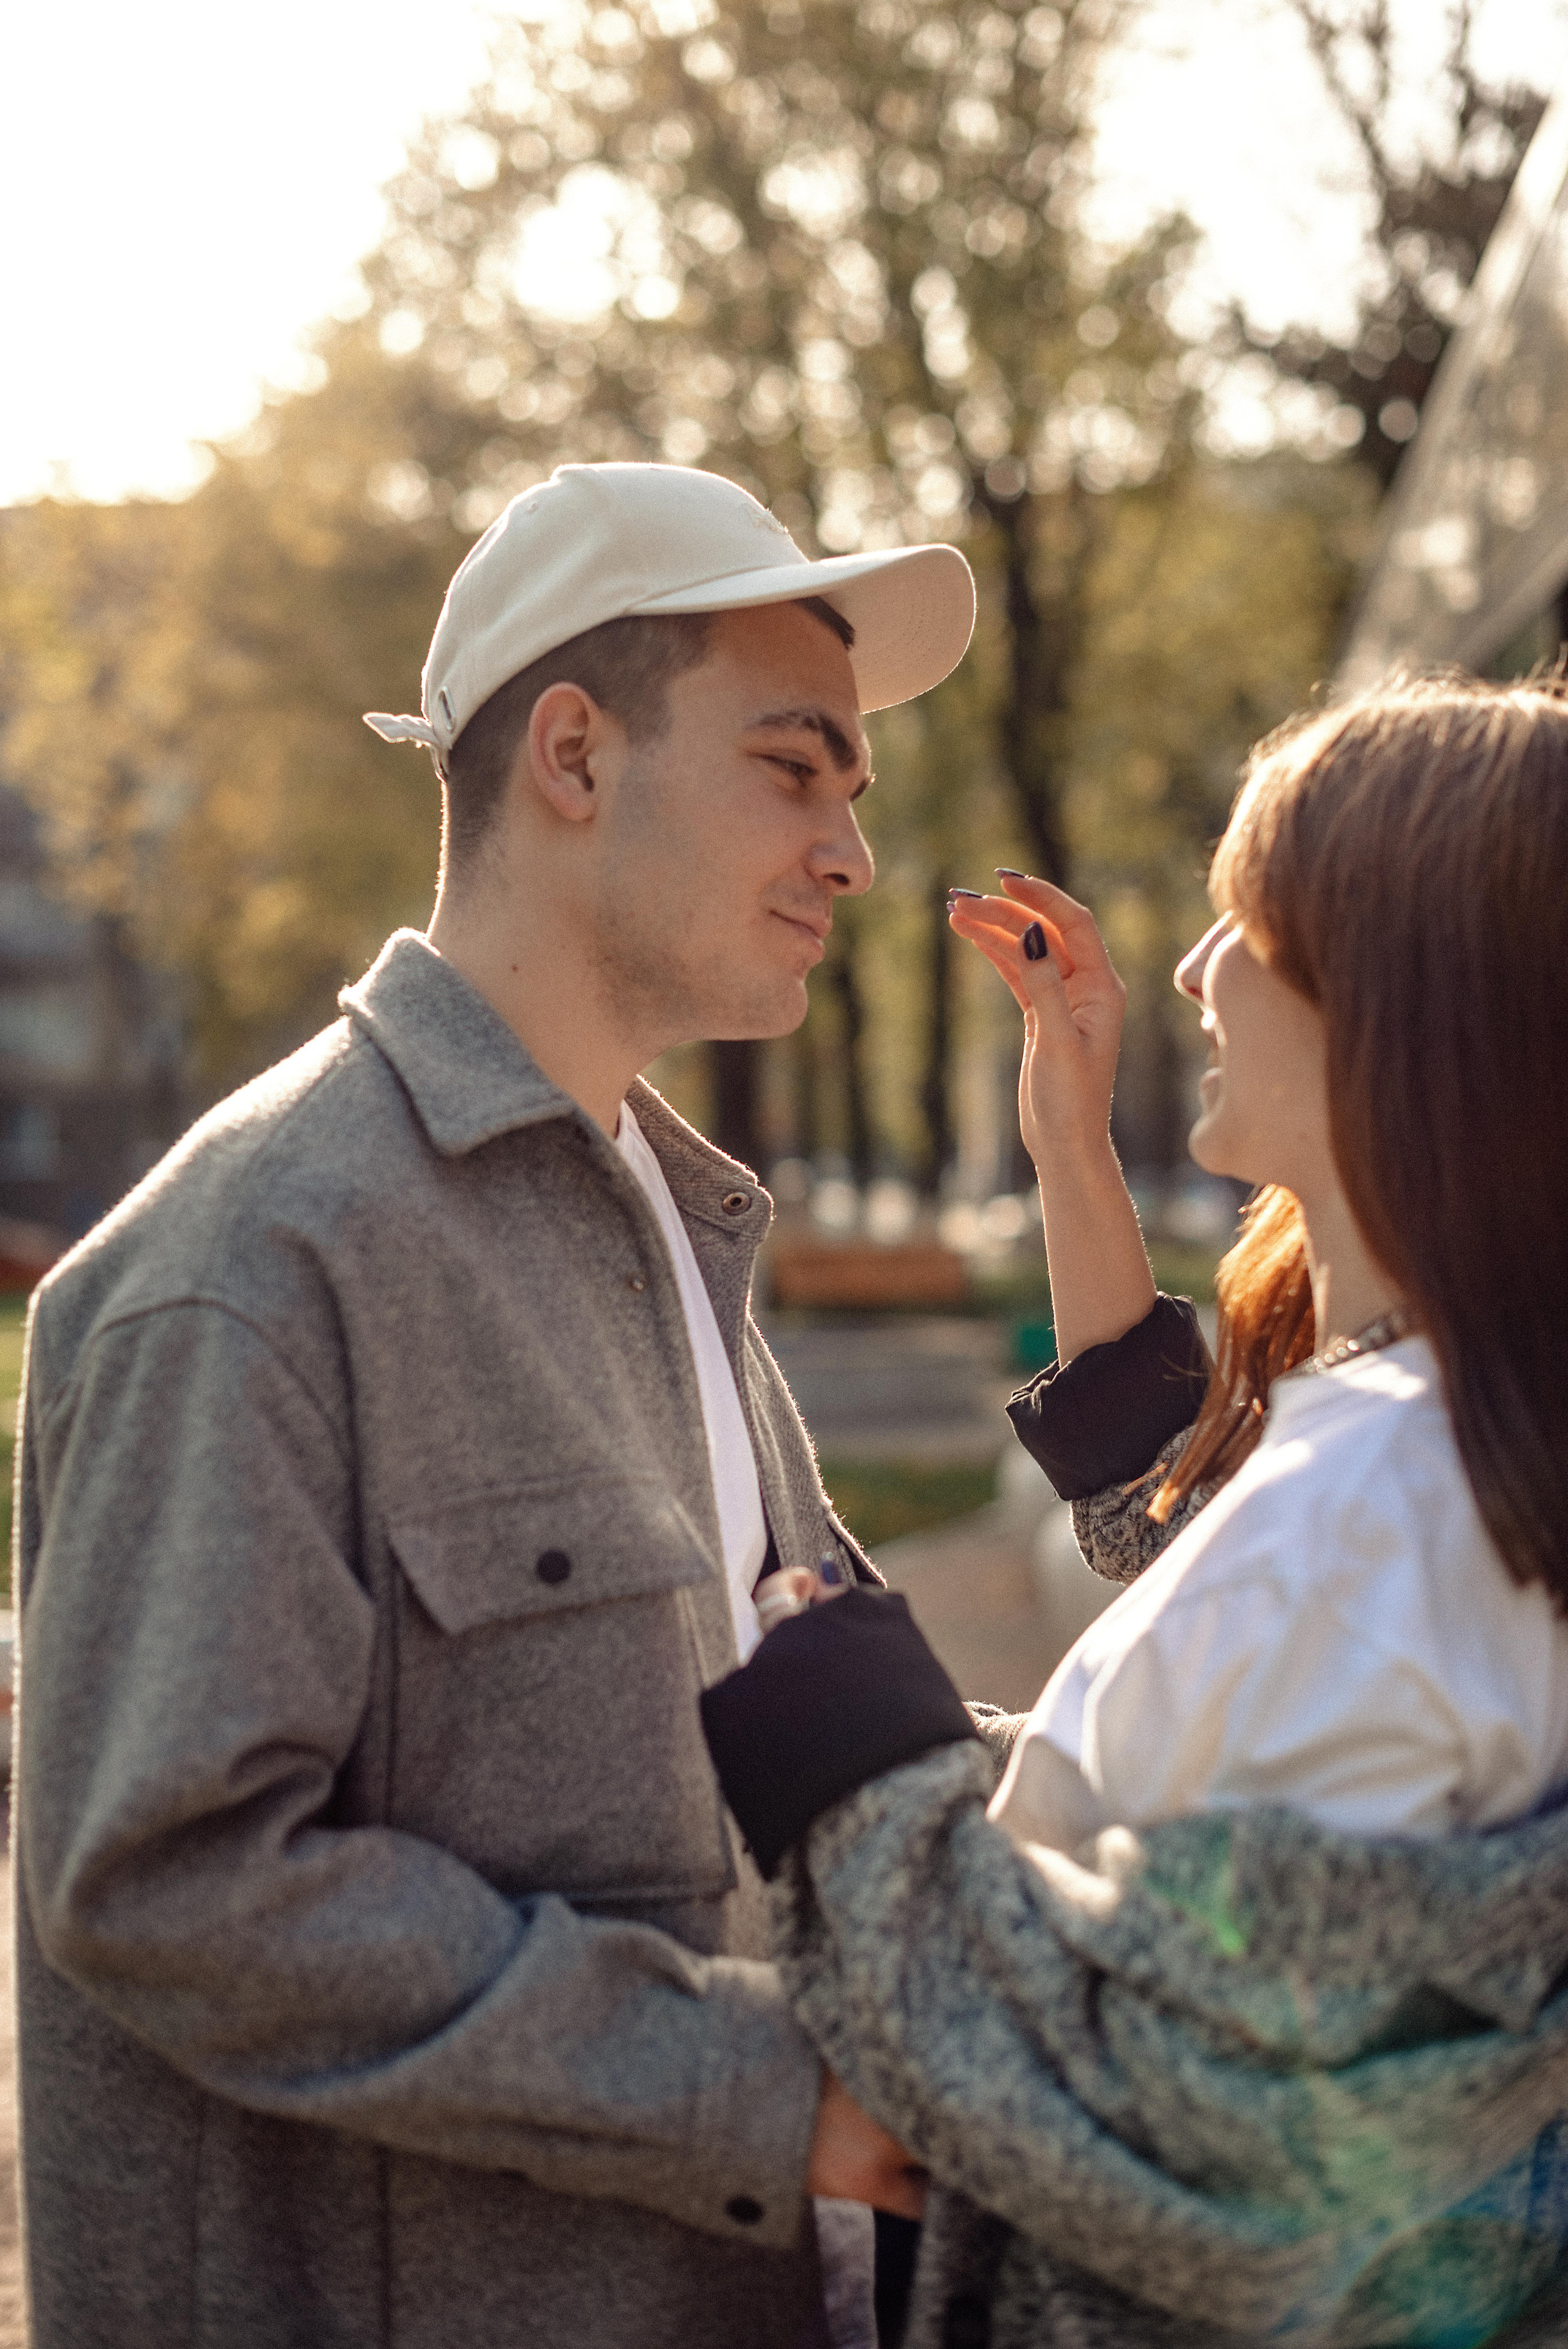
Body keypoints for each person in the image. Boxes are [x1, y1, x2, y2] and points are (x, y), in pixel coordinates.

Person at [14, 461, 976, 2349]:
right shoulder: (253, 1261)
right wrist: (771, 2095)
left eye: (852, 791)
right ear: (570, 751)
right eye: (795, 768)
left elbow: (764, 1762)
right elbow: (172, 1880)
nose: (852, 851)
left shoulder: (666, 1218)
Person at [701, 677, 1568, 2348]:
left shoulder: (1372, 1515)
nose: (1190, 967)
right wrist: (1071, 1141)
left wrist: (860, 1783)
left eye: (1244, 917)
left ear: (1400, 996)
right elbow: (1214, 1580)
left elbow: (1171, 2136)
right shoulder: (1458, 1449)